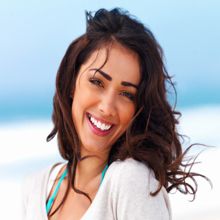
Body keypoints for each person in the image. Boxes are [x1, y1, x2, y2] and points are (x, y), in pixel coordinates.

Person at [22, 8, 209, 220]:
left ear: (138, 109)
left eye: (126, 94)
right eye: (97, 82)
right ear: (72, 83)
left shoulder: (132, 180)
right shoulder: (35, 187)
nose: (107, 107)